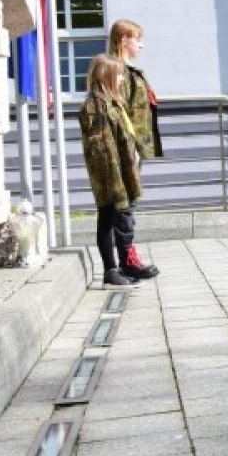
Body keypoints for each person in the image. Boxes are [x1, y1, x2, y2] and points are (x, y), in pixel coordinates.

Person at [79, 55, 146, 288]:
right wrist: (116, 180)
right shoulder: (95, 105)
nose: (120, 79)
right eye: (117, 74)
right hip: (109, 175)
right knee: (107, 218)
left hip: (120, 171)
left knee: (112, 217)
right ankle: (110, 271)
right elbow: (102, 149)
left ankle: (118, 268)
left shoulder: (109, 101)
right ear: (104, 75)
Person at [108, 19, 160, 279]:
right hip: (124, 147)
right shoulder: (116, 71)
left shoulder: (131, 71)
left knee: (129, 202)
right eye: (137, 38)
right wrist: (130, 144)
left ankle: (128, 258)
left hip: (135, 147)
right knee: (124, 204)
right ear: (123, 39)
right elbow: (117, 111)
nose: (141, 44)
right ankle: (127, 260)